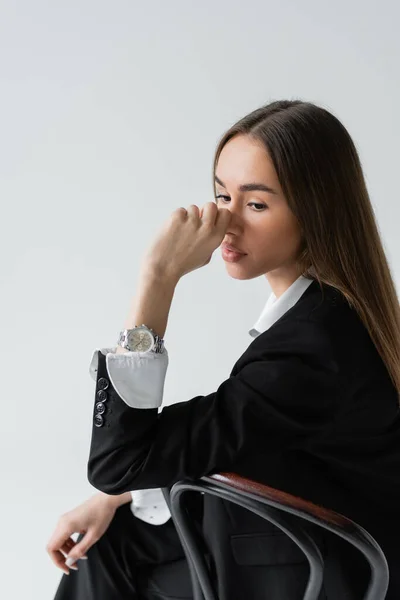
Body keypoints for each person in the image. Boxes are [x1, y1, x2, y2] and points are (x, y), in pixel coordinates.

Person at [48, 99, 400, 600]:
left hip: (315, 572)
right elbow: (236, 441)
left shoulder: (312, 347)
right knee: (111, 544)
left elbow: (119, 459)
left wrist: (158, 278)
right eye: (221, 195)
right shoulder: (322, 318)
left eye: (255, 204)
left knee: (107, 557)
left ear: (316, 210)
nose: (227, 222)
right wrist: (125, 497)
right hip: (292, 541)